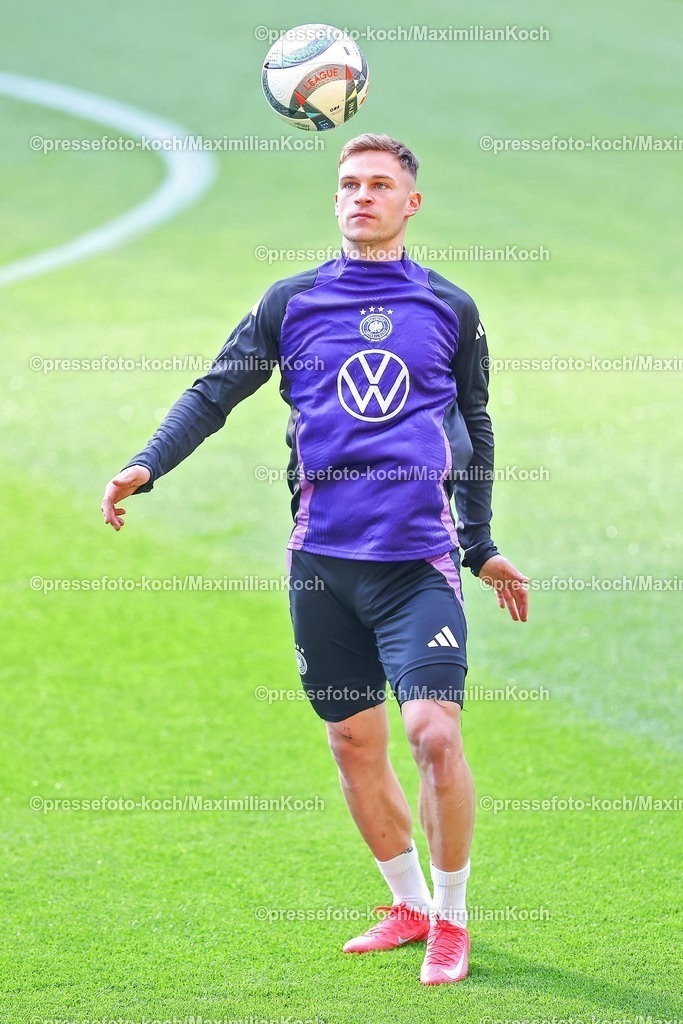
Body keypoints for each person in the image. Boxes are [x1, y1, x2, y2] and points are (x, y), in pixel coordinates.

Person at [101, 133, 528, 986]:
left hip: (417, 564)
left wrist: (478, 545)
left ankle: (453, 918)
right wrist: (147, 463)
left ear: (411, 204)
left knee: (432, 732)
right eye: (347, 184)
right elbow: (215, 390)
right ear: (334, 201)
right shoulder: (290, 303)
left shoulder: (452, 308)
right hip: (321, 566)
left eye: (378, 185)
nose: (360, 195)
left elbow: (475, 429)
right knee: (351, 744)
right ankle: (405, 903)